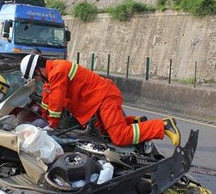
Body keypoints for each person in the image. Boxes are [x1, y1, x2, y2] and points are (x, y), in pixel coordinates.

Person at [20, 54, 181, 147]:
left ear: (38, 70)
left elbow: (56, 100)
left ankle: (163, 125)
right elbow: (47, 101)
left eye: (35, 76)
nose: (37, 80)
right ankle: (134, 122)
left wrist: (52, 125)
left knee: (119, 137)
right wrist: (44, 120)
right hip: (96, 103)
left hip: (104, 97)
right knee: (104, 135)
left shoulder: (58, 70)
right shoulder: (50, 76)